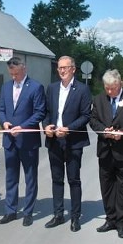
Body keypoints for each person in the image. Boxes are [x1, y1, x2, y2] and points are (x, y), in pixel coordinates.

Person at [90, 69, 123, 239]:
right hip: (106, 151)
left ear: (120, 84)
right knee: (107, 188)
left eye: (113, 88)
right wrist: (103, 131)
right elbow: (93, 120)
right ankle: (110, 219)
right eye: (107, 88)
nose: (109, 91)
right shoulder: (99, 99)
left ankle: (122, 222)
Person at [42, 56, 91, 232]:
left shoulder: (83, 90)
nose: (62, 70)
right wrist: (45, 126)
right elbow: (47, 112)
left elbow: (86, 115)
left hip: (73, 141)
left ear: (73, 69)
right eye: (59, 68)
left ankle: (75, 217)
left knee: (73, 180)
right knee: (57, 179)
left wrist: (69, 128)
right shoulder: (52, 88)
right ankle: (58, 214)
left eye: (65, 67)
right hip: (54, 140)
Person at [0, 56, 46, 227]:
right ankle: (10, 211)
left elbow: (40, 112)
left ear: (23, 69)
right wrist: (4, 122)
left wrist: (22, 127)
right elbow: (1, 110)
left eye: (16, 74)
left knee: (30, 177)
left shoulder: (36, 87)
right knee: (11, 177)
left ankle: (28, 212)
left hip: (27, 140)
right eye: (11, 74)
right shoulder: (5, 87)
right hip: (9, 140)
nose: (13, 77)